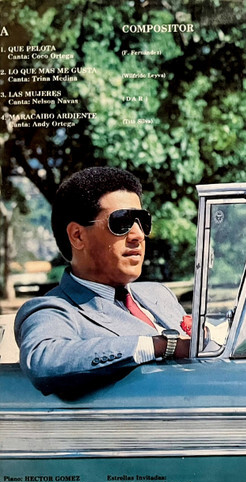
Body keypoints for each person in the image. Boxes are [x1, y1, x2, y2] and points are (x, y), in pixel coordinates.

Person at [15, 167, 190, 396]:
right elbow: (44, 360)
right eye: (122, 222)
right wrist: (160, 345)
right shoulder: (52, 310)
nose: (138, 235)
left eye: (142, 221)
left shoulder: (158, 293)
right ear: (77, 236)